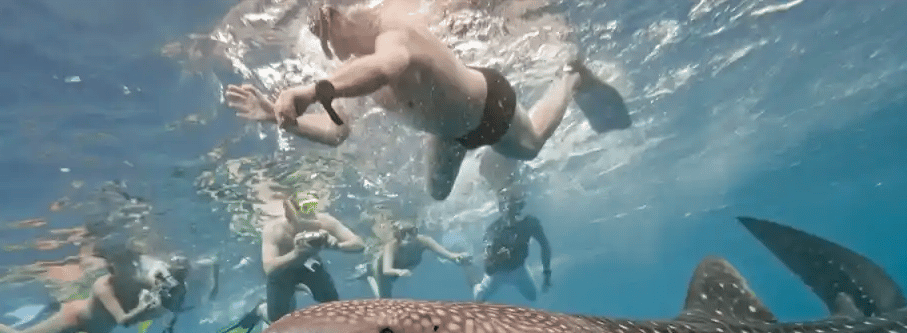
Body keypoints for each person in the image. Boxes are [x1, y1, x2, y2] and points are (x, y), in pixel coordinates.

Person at [223, 1, 629, 201]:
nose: (329, 52)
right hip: (449, 135)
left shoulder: (391, 31)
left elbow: (388, 65)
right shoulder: (351, 70)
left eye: (326, 39)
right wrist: (282, 121)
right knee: (437, 193)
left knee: (532, 145)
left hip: (488, 104)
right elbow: (336, 133)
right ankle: (487, 157)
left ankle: (573, 77)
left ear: (337, 17)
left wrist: (310, 90)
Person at [210, 192, 364, 333]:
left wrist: (336, 246)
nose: (308, 222)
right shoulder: (274, 229)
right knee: (279, 322)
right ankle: (260, 310)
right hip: (282, 271)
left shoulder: (324, 221)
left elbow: (359, 244)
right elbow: (269, 267)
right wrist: (296, 253)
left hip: (309, 265)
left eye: (311, 212)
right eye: (302, 214)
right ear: (288, 213)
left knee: (333, 305)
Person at [0, 239, 187, 333]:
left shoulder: (137, 279)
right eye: (123, 265)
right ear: (111, 267)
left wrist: (175, 287)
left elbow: (166, 288)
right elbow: (123, 321)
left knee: (59, 303)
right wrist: (145, 306)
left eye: (131, 264)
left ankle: (51, 305)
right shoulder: (103, 287)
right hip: (75, 320)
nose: (129, 270)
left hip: (94, 324)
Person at [358, 218, 470, 299]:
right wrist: (399, 271)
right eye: (403, 234)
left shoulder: (424, 241)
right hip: (383, 269)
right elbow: (386, 270)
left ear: (415, 232)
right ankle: (370, 277)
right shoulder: (391, 246)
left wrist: (457, 257)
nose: (407, 238)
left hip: (402, 267)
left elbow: (447, 254)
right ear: (397, 236)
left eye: (410, 232)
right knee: (384, 299)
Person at [470, 194, 552, 303]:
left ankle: (530, 271)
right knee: (478, 299)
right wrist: (495, 258)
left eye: (512, 205)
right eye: (505, 205)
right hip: (498, 272)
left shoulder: (530, 223)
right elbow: (488, 266)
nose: (508, 208)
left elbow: (545, 246)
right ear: (500, 207)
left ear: (520, 205)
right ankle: (473, 282)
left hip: (519, 269)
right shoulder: (493, 229)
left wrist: (547, 272)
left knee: (533, 296)